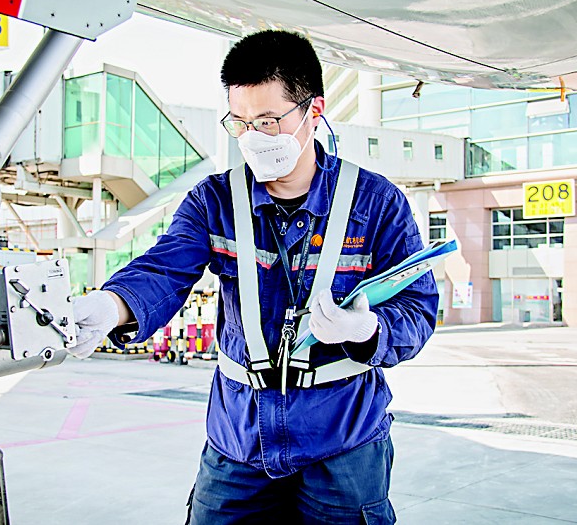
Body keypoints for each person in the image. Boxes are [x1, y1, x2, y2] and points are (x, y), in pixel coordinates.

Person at [71, 30, 438, 524]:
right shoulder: (214, 201)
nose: (252, 138)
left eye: (267, 122)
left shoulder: (375, 203)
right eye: (240, 123)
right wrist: (110, 306)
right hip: (239, 443)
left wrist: (367, 330)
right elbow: (163, 269)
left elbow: (417, 308)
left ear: (313, 110)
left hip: (342, 442)